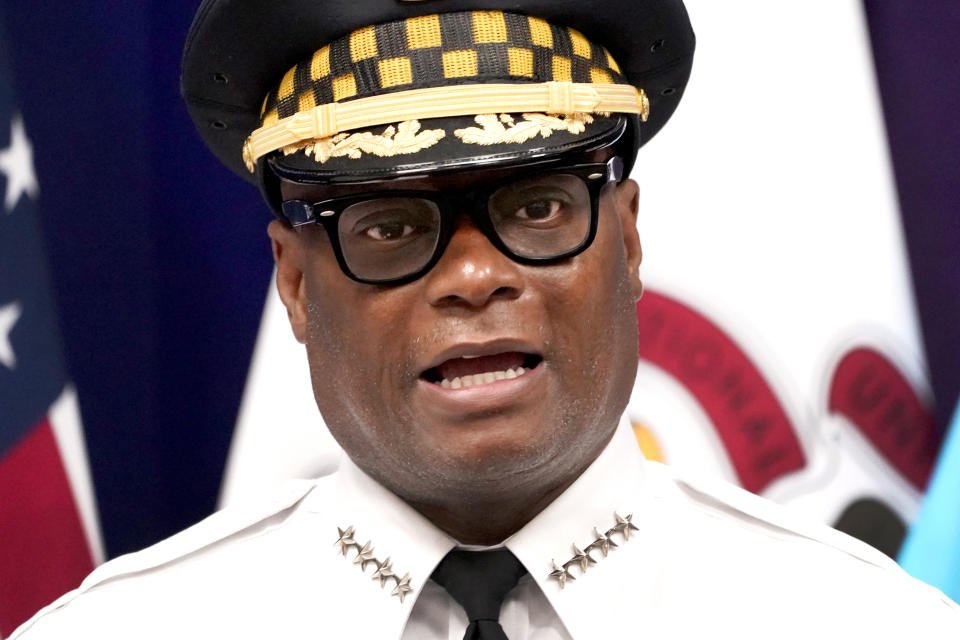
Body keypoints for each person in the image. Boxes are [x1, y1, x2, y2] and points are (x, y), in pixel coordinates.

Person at [12, 0, 959, 638]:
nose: (472, 274)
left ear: (627, 242)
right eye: (387, 224)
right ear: (294, 284)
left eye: (538, 207)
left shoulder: (866, 624)